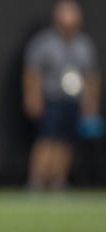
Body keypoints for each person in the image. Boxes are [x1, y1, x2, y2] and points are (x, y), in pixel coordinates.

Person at [23, 0, 101, 191]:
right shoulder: (44, 42)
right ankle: (37, 180)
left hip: (73, 99)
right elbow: (32, 73)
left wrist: (91, 101)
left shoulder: (84, 44)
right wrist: (32, 97)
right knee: (47, 139)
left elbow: (91, 76)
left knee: (66, 142)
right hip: (51, 97)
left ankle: (58, 181)